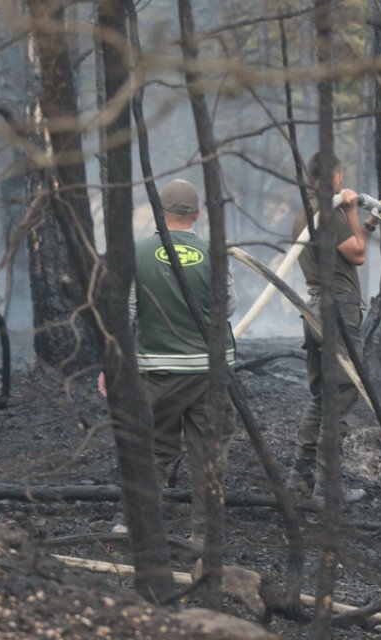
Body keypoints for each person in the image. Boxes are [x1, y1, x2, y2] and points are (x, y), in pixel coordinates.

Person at [100, 178, 235, 545]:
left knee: (150, 448)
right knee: (209, 455)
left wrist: (112, 366)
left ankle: (134, 524)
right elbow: (229, 306)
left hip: (156, 371)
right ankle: (204, 536)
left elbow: (126, 312)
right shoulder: (213, 252)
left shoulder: (138, 251)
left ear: (160, 212)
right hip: (208, 371)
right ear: (197, 215)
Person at [291, 153, 381, 503]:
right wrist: (351, 209)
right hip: (338, 309)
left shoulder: (308, 212)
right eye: (341, 175)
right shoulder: (329, 213)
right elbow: (358, 256)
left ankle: (301, 475)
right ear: (334, 177)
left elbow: (351, 245)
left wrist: (373, 220)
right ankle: (327, 487)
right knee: (343, 391)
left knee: (323, 394)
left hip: (316, 307)